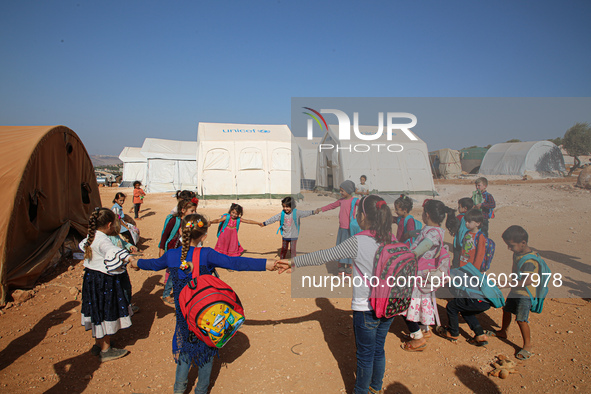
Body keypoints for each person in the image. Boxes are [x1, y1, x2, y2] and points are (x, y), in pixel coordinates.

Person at [130, 213, 278, 394]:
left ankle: (179, 390)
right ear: (204, 236)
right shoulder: (206, 254)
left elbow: (153, 264)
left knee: (185, 351)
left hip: (184, 316)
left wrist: (136, 262)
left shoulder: (171, 255)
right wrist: (266, 263)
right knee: (206, 352)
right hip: (207, 315)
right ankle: (201, 390)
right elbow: (235, 262)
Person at [277, 195, 397, 394]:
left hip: (366, 308)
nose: (356, 215)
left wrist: (292, 261)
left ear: (364, 217)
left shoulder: (358, 241)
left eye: (358, 212)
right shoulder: (392, 238)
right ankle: (375, 387)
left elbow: (324, 255)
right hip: (389, 305)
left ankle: (361, 391)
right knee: (379, 349)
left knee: (365, 355)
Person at [400, 199, 457, 352]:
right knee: (417, 305)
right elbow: (420, 234)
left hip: (418, 275)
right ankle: (424, 328)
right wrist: (409, 234)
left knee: (403, 305)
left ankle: (418, 336)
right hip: (420, 273)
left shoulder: (433, 234)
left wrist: (409, 254)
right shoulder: (432, 229)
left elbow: (424, 245)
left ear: (427, 214)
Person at [79, 208, 135, 362]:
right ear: (110, 224)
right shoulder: (103, 240)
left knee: (97, 309)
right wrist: (131, 259)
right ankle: (106, 349)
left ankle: (99, 343)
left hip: (91, 278)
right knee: (105, 310)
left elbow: (82, 246)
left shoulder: (92, 236)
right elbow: (112, 251)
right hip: (103, 281)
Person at [492, 225, 544, 360]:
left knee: (521, 319)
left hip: (525, 293)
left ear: (523, 243)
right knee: (507, 309)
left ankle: (527, 345)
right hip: (516, 289)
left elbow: (528, 281)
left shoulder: (529, 261)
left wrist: (507, 284)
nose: (510, 248)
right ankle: (503, 331)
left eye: (511, 245)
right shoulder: (518, 253)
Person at [314, 180, 357, 276]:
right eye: (340, 190)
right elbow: (332, 206)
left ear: (349, 191)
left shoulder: (354, 201)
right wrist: (321, 209)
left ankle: (349, 268)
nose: (340, 192)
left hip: (350, 230)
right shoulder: (341, 201)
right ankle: (341, 267)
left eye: (342, 191)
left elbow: (364, 204)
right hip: (342, 229)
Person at [159, 199, 198, 304]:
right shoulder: (175, 221)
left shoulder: (189, 222)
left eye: (195, 211)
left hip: (184, 251)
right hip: (173, 251)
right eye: (192, 211)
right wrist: (161, 249)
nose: (194, 213)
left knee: (183, 270)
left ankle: (183, 292)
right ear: (183, 210)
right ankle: (166, 294)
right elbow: (165, 234)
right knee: (173, 273)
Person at [452, 197, 474, 268]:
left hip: (459, 242)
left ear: (465, 208)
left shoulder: (460, 217)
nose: (458, 209)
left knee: (456, 259)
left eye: (459, 207)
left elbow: (455, 227)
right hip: (469, 242)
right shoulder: (473, 217)